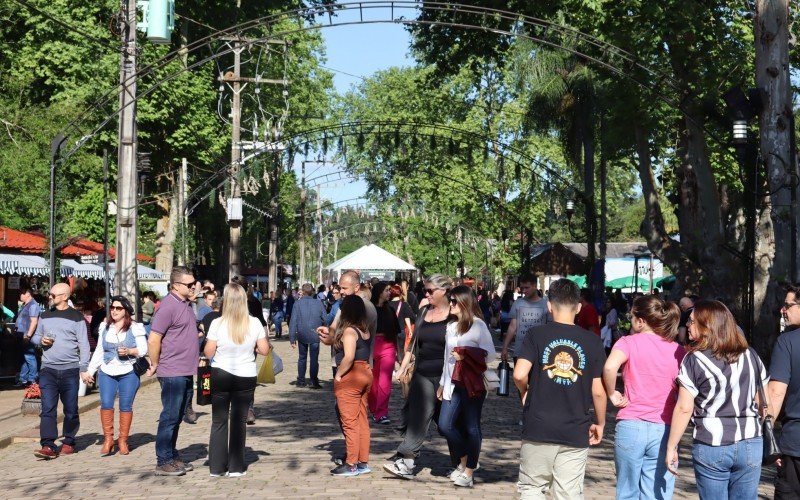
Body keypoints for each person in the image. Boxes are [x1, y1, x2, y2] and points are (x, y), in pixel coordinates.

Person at [512, 278, 607, 498]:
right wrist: (601, 422)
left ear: (549, 305)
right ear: (579, 307)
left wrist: (525, 392)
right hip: (575, 428)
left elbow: (518, 374)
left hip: (538, 425)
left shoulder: (537, 334)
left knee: (532, 487)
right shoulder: (592, 342)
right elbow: (598, 390)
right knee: (568, 492)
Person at [665, 300, 767, 499]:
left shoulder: (694, 360)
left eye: (692, 322)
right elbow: (764, 401)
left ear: (707, 325)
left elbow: (684, 408)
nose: (687, 325)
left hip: (712, 443)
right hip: (750, 441)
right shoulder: (750, 355)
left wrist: (671, 446)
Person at [602, 295, 684, 500]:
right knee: (656, 492)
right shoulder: (678, 351)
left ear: (640, 321)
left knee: (627, 491)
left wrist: (612, 393)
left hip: (631, 424)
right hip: (664, 427)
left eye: (631, 317)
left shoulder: (627, 342)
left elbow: (610, 367)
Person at [383, 274, 455, 480]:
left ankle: (462, 462)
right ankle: (406, 462)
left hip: (447, 377)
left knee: (447, 425)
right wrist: (402, 368)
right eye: (426, 290)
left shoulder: (455, 314)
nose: (427, 294)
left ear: (444, 291)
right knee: (418, 418)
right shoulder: (424, 311)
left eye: (431, 291)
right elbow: (413, 343)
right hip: (422, 374)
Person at [204, 283, 271, 477]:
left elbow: (209, 351)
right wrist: (252, 348)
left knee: (219, 421)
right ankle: (235, 466)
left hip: (221, 373)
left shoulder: (217, 323)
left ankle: (216, 467)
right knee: (239, 420)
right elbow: (265, 350)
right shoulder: (254, 323)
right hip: (246, 374)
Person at [436, 285, 496, 488]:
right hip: (452, 382)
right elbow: (446, 359)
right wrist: (443, 383)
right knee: (445, 425)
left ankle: (469, 471)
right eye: (450, 300)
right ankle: (464, 461)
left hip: (471, 382)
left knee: (472, 427)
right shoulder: (451, 326)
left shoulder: (478, 325)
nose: (450, 304)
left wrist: (466, 355)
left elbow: (490, 354)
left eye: (454, 301)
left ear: (464, 302)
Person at [146, 266, 201, 476]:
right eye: (189, 284)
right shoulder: (168, 306)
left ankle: (171, 454)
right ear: (176, 286)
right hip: (172, 371)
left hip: (185, 370)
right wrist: (155, 363)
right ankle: (163, 460)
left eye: (194, 283)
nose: (193, 287)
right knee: (169, 416)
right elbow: (154, 339)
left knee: (177, 416)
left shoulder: (185, 304)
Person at [31, 283, 91, 459]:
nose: (50, 297)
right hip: (48, 369)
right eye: (50, 295)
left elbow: (84, 344)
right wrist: (41, 340)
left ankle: (69, 441)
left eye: (53, 295)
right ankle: (48, 445)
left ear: (65, 296)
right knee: (48, 408)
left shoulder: (77, 317)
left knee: (71, 409)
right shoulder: (45, 315)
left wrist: (84, 368)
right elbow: (35, 337)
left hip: (70, 370)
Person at [84, 296, 148, 456]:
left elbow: (143, 349)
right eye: (112, 307)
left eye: (118, 308)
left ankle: (123, 440)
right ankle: (108, 440)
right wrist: (90, 370)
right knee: (106, 404)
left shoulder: (135, 327)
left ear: (126, 311)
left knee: (125, 406)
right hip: (107, 371)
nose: (114, 310)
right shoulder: (105, 327)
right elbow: (99, 350)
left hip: (128, 371)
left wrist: (130, 351)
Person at [330, 295, 373, 476]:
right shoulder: (364, 330)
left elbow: (348, 356)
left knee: (350, 422)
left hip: (352, 375)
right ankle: (362, 461)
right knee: (362, 419)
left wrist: (339, 374)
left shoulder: (349, 331)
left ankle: (351, 464)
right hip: (365, 372)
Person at [769, 285, 800, 498]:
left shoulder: (787, 342)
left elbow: (775, 394)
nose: (783, 310)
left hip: (795, 444)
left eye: (788, 305)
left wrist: (767, 439)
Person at [368, 282, 400, 424]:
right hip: (372, 345)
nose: (389, 292)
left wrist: (398, 353)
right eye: (387, 290)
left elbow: (396, 332)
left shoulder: (390, 310)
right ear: (379, 292)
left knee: (385, 381)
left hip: (388, 346)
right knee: (372, 382)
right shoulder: (369, 309)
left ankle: (382, 412)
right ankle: (374, 409)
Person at [501, 275, 549, 363]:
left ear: (535, 286)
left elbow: (550, 327)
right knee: (519, 376)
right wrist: (505, 348)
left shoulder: (546, 304)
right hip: (520, 351)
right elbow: (512, 327)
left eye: (527, 287)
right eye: (522, 288)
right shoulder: (518, 303)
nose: (524, 290)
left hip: (539, 352)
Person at [289, 283, 327, 389]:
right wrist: (326, 330)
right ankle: (313, 381)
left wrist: (292, 338)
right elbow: (325, 318)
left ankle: (301, 380)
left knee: (302, 357)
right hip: (315, 333)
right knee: (314, 358)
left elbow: (293, 321)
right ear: (312, 291)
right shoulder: (319, 303)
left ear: (303, 292)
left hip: (302, 334)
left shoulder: (297, 304)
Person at [15, 287, 41, 387]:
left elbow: (34, 321)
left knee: (30, 357)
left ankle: (32, 379)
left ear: (28, 294)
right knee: (24, 358)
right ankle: (23, 379)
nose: (20, 295)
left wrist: (28, 336)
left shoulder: (33, 305)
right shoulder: (25, 305)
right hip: (22, 335)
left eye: (22, 293)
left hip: (28, 336)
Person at [389, 284, 415, 354]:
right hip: (401, 330)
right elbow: (407, 318)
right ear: (400, 293)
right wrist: (410, 330)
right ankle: (400, 360)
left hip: (390, 331)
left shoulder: (387, 304)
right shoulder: (404, 304)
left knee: (390, 348)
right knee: (400, 349)